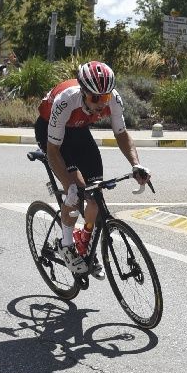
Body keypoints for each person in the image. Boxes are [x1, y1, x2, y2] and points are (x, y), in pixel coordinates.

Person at [36, 61, 150, 276]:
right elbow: (53, 150)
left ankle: (84, 244)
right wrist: (69, 185)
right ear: (83, 91)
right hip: (52, 135)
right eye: (95, 98)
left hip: (78, 131)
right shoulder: (66, 100)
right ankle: (66, 245)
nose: (100, 103)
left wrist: (136, 164)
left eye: (104, 97)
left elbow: (122, 134)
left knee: (95, 197)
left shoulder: (113, 99)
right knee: (75, 193)